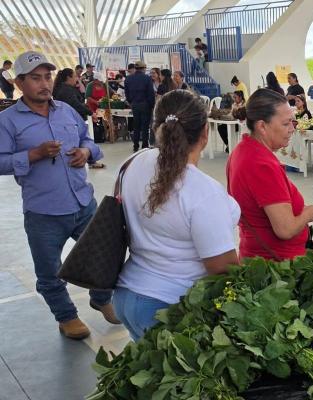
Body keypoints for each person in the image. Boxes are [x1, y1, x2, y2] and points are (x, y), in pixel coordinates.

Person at [0, 51, 116, 340]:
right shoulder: (7, 121)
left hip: (82, 203)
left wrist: (86, 151)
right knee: (49, 272)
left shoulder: (65, 110)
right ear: (19, 83)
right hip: (44, 211)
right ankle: (67, 317)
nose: (44, 84)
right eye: (36, 78)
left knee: (105, 255)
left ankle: (101, 298)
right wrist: (34, 154)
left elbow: (88, 140)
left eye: (47, 77)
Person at [113, 90, 240, 341]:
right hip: (168, 309)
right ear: (205, 133)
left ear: (156, 128)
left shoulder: (133, 162)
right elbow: (223, 269)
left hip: (126, 294)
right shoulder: (203, 191)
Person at [229, 89, 313, 260]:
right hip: (276, 265)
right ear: (262, 126)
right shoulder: (262, 165)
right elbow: (285, 229)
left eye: (292, 122)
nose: (292, 129)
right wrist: (309, 213)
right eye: (285, 124)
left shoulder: (241, 150)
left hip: (256, 255)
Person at [53, 68, 106, 169]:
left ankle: (90, 160)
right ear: (68, 77)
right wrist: (90, 112)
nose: (76, 78)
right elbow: (76, 104)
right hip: (72, 120)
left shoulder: (63, 88)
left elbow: (79, 99)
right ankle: (90, 160)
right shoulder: (66, 91)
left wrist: (79, 86)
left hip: (69, 120)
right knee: (83, 140)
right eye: (74, 76)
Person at [125, 61, 156, 151]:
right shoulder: (147, 78)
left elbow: (127, 93)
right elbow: (150, 93)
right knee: (145, 126)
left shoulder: (128, 78)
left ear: (135, 68)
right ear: (144, 69)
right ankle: (144, 145)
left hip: (135, 104)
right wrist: (152, 105)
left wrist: (131, 102)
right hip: (145, 105)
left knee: (136, 126)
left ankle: (135, 146)